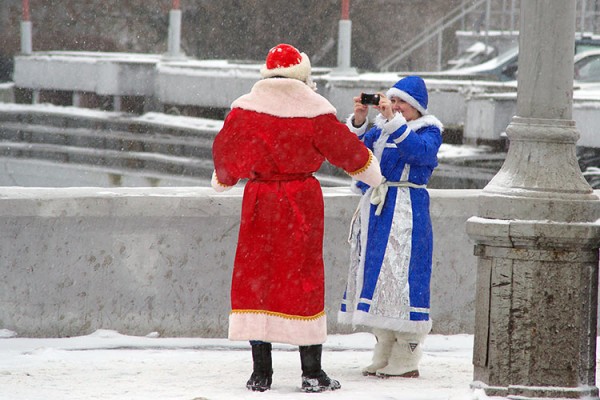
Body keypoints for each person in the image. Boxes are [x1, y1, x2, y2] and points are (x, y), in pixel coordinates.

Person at [211, 43, 382, 393]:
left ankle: (261, 374)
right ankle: (311, 372)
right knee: (303, 279)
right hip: (300, 203)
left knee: (256, 278)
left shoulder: (245, 110)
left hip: (259, 200)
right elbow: (349, 153)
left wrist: (225, 178)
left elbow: (226, 156)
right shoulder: (314, 110)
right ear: (302, 74)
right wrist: (373, 175)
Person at [338, 76, 443, 378]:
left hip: (407, 209)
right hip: (378, 208)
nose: (395, 107)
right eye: (393, 101)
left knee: (403, 275)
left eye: (402, 104)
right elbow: (353, 157)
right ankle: (383, 346)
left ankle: (408, 351)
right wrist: (359, 122)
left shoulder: (430, 130)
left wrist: (393, 121)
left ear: (417, 108)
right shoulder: (382, 129)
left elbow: (418, 153)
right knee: (377, 275)